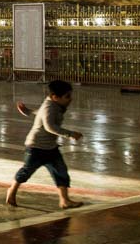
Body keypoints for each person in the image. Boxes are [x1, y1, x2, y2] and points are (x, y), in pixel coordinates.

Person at [6, 80, 85, 210]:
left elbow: (41, 113)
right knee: (26, 171)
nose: (70, 100)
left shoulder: (53, 105)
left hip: (50, 148)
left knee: (61, 172)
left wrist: (28, 111)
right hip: (36, 147)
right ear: (55, 97)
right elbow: (50, 127)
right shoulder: (50, 106)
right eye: (67, 97)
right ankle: (12, 191)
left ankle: (64, 200)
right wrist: (70, 134)